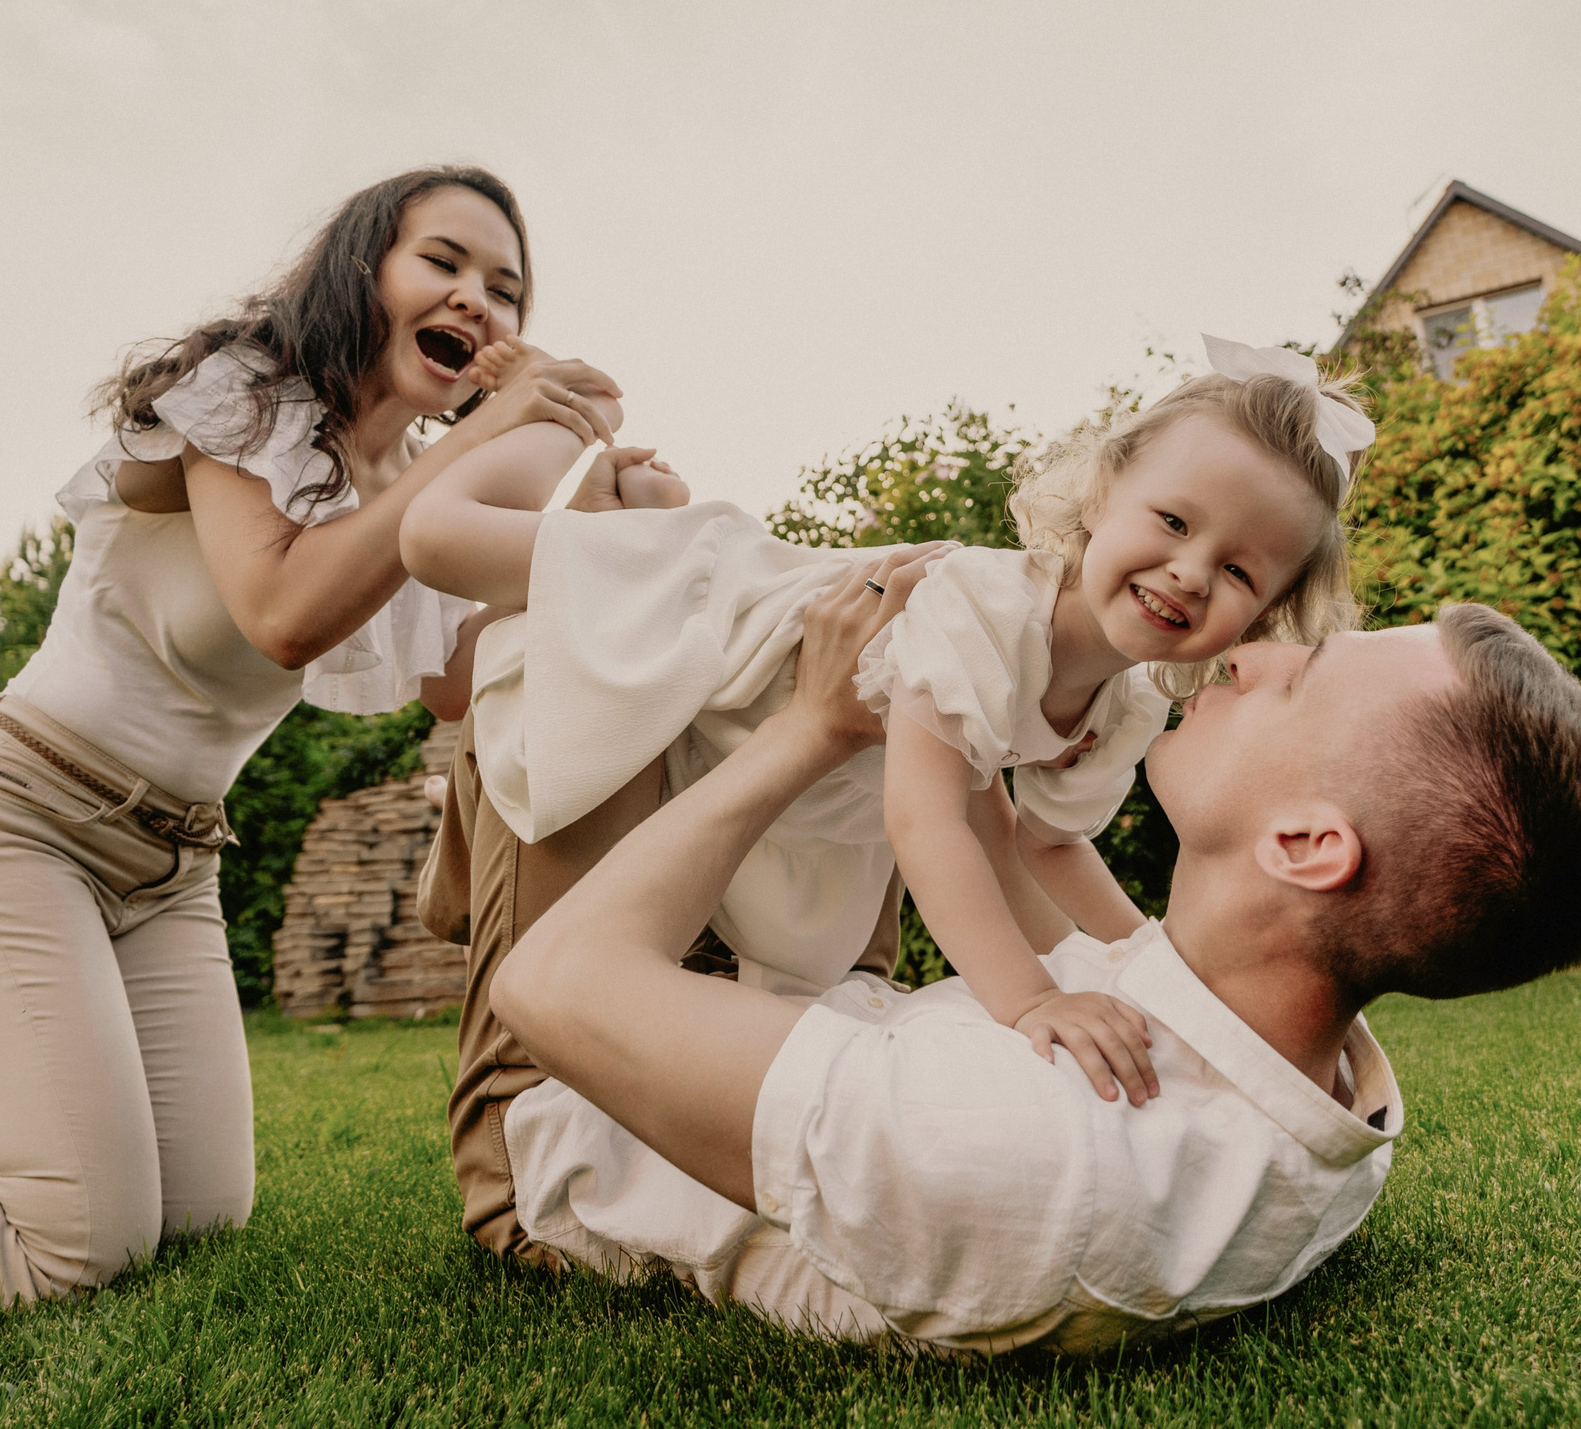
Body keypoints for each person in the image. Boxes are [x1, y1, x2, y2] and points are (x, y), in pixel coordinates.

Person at [0, 165, 621, 1316]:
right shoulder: (250, 390)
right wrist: (483, 441)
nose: (477, 302)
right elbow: (285, 612)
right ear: (362, 267)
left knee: (192, 1217)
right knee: (73, 1243)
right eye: (441, 262)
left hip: (173, 867)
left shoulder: (403, 490)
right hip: (10, 818)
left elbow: (451, 684)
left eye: (507, 289)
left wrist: (591, 524)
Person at [478, 556, 1581, 1353]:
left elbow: (553, 987)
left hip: (565, 1124)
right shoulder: (1305, 1061)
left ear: (1305, 845)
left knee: (569, 652)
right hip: (833, 1014)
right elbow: (1022, 847)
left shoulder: (1021, 1140)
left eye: (1303, 676)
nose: (1248, 653)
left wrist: (814, 726)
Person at [400, 337, 1375, 1112]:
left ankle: (624, 501)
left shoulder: (1125, 701)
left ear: (1271, 612)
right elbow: (926, 820)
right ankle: (547, 417)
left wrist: (1148, 966)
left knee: (491, 667)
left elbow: (1045, 841)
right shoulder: (982, 609)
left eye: (1240, 570)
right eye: (1171, 521)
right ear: (1099, 494)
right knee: (438, 546)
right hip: (712, 610)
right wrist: (1030, 999)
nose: (1191, 570)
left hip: (741, 742)